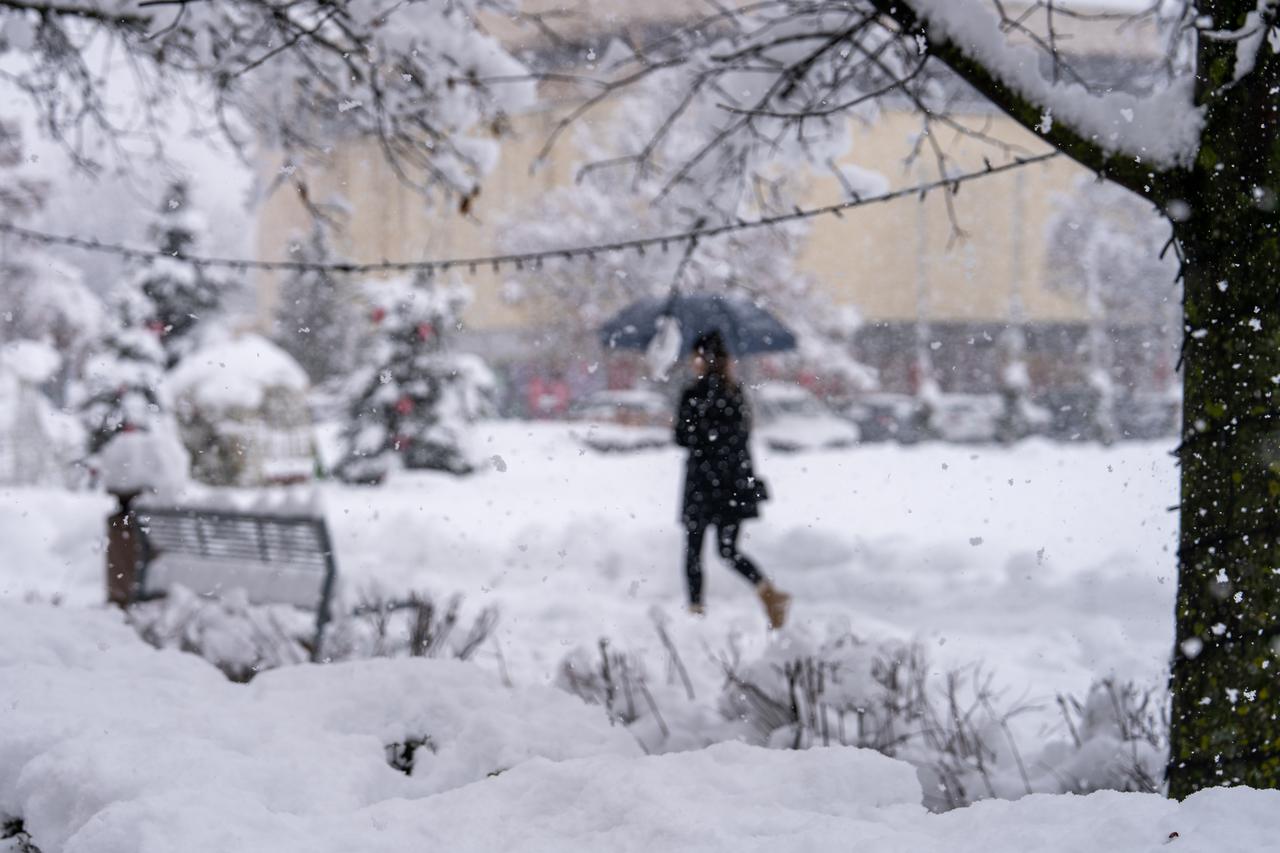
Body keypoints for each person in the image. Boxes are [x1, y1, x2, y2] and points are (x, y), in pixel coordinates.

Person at [674, 331, 791, 629]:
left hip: (702, 483)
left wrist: (695, 431)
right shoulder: (734, 393)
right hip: (729, 485)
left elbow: (682, 438)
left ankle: (695, 610)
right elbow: (740, 439)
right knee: (728, 551)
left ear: (702, 358)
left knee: (693, 550)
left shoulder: (694, 394)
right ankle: (769, 593)